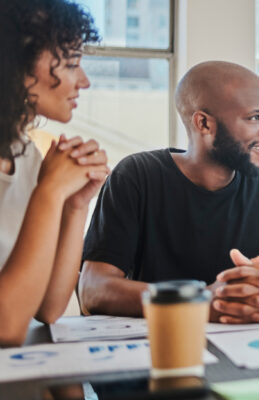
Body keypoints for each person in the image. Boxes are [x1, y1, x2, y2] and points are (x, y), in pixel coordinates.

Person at [79, 61, 259, 323]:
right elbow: (93, 289)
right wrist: (197, 301)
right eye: (255, 118)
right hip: (163, 346)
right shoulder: (136, 176)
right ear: (203, 124)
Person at [0, 0, 109, 346]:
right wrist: (48, 192)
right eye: (73, 62)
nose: (84, 81)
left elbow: (48, 307)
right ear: (15, 61)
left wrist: (74, 204)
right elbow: (7, 327)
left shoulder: (27, 154)